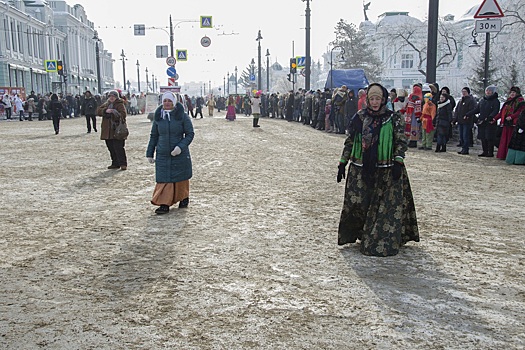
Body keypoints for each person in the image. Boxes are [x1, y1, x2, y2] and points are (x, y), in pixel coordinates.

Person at [337, 83, 419, 256]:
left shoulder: (393, 118)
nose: (374, 102)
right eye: (372, 99)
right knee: (359, 204)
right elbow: (350, 140)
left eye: (378, 99)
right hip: (361, 169)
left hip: (387, 169)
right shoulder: (359, 118)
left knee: (383, 208)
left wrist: (398, 161)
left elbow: (400, 140)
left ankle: (379, 240)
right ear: (367, 99)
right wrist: (342, 162)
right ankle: (360, 233)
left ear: (383, 100)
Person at [146, 92, 195, 214]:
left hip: (179, 152)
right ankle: (164, 203)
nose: (167, 103)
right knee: (164, 178)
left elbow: (190, 134)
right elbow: (154, 136)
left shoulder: (182, 116)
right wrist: (150, 152)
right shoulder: (158, 117)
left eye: (169, 101)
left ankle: (183, 197)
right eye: (165, 101)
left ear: (174, 102)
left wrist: (180, 147)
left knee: (180, 178)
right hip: (162, 152)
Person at [96, 90, 128, 170]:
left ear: (116, 97)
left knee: (119, 147)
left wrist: (114, 112)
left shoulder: (120, 104)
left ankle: (123, 163)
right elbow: (98, 111)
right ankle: (115, 163)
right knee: (111, 147)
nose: (111, 98)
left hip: (117, 130)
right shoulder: (106, 104)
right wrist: (105, 111)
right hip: (107, 131)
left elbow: (123, 115)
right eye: (110, 96)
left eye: (113, 96)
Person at [465, 85, 500, 157]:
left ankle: (490, 152)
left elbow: (496, 110)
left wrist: (491, 117)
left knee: (489, 138)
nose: (488, 92)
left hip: (490, 122)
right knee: (483, 137)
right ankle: (485, 151)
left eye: (489, 91)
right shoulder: (482, 100)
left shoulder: (495, 101)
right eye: (487, 91)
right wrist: (468, 114)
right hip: (482, 121)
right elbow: (477, 109)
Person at [493, 86, 525, 159]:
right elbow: (502, 112)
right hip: (506, 123)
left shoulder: (520, 102)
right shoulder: (508, 101)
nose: (512, 94)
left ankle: (509, 156)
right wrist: (495, 118)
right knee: (504, 140)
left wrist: (512, 116)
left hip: (514, 124)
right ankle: (502, 155)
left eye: (514, 92)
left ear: (517, 93)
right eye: (511, 92)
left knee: (510, 141)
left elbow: (520, 112)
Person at [453, 87, 477, 155]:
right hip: (460, 121)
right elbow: (457, 110)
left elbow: (472, 110)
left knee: (465, 135)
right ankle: (463, 148)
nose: (463, 93)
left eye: (465, 91)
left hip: (467, 121)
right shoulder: (460, 101)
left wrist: (467, 115)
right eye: (462, 91)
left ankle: (466, 149)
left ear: (468, 92)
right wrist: (455, 119)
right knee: (461, 136)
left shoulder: (471, 100)